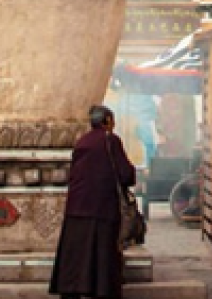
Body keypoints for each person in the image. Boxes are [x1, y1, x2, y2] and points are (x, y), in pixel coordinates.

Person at [49, 105, 136, 299]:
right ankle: (101, 290)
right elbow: (125, 174)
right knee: (102, 255)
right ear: (107, 121)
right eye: (112, 120)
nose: (114, 124)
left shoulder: (82, 142)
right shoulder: (110, 140)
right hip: (102, 207)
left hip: (76, 207)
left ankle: (72, 289)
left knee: (76, 255)